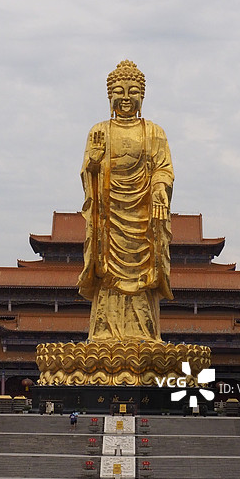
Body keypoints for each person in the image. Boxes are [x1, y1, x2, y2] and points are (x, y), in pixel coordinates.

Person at [77, 60, 174, 340]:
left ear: (142, 96)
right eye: (119, 91)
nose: (126, 98)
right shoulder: (99, 131)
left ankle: (142, 331)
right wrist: (94, 162)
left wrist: (158, 187)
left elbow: (164, 168)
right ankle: (105, 331)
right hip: (109, 218)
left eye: (133, 91)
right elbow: (89, 173)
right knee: (107, 275)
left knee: (143, 278)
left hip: (143, 217)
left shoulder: (154, 132)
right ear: (110, 96)